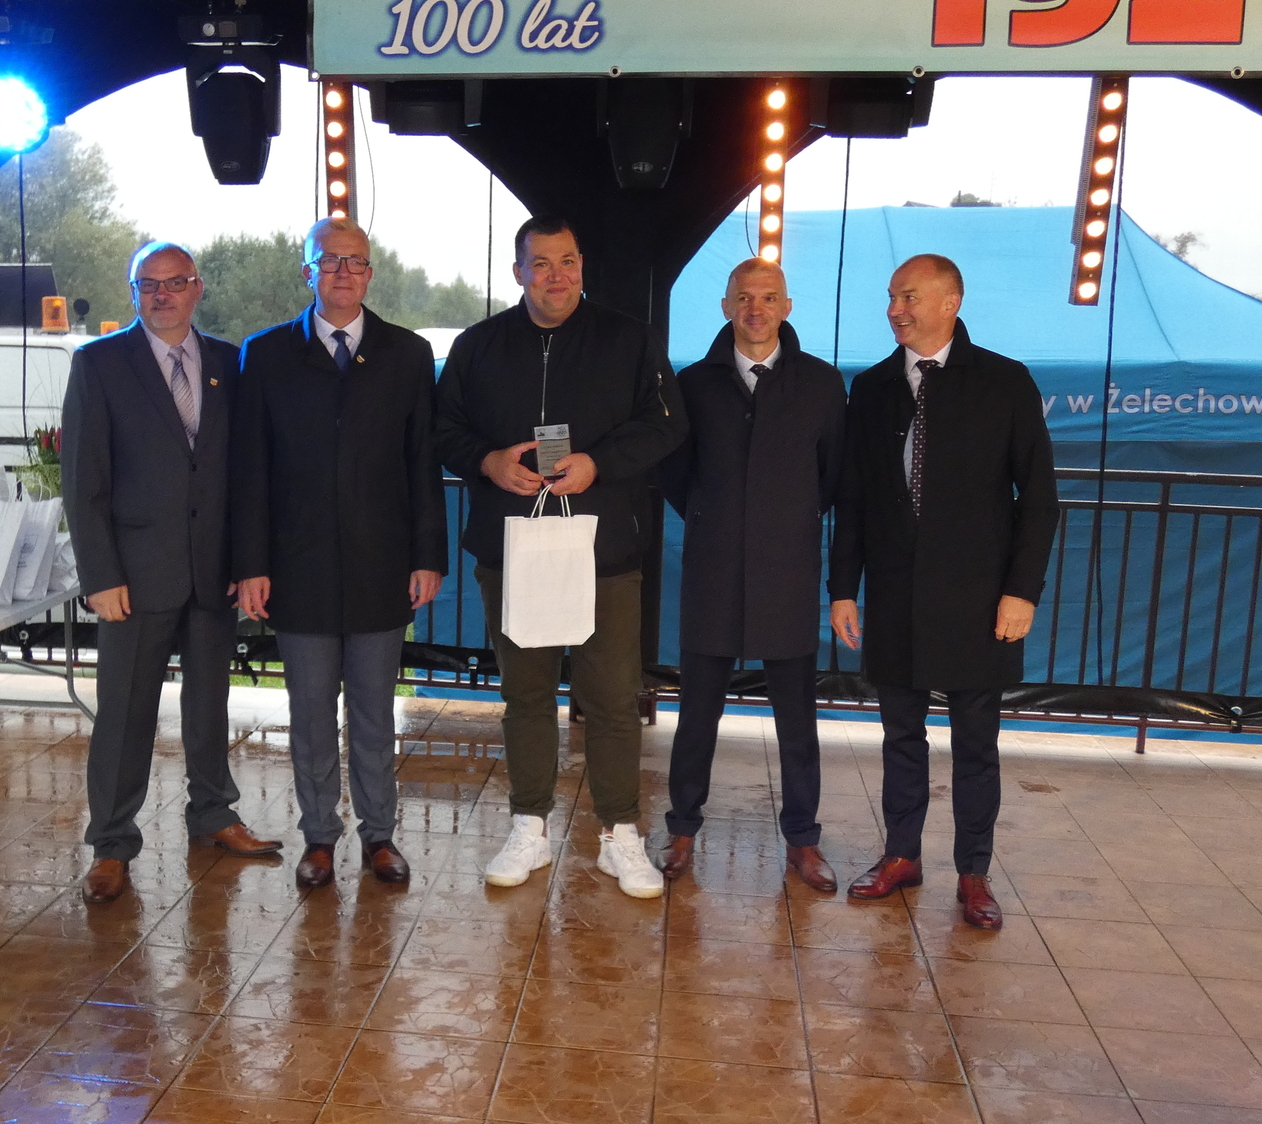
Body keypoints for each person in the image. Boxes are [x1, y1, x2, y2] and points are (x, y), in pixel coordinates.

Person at [433, 215, 688, 899]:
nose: (556, 276)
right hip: (513, 548)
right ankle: (529, 827)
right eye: (541, 263)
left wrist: (599, 463)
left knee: (612, 699)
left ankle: (620, 834)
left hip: (605, 551)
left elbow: (667, 423)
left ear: (582, 266)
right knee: (526, 695)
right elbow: (442, 429)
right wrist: (487, 461)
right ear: (518, 272)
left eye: (567, 261)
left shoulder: (629, 340)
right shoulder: (478, 345)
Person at [828, 253, 1058, 930]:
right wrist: (843, 589)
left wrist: (1022, 591)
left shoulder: (1004, 381)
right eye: (891, 297)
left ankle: (973, 873)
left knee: (976, 744)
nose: (895, 309)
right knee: (900, 735)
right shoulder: (871, 387)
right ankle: (902, 855)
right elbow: (854, 499)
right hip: (894, 595)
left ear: (950, 302)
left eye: (909, 297)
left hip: (980, 601)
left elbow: (1039, 498)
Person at [61, 241, 282, 906]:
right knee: (125, 714)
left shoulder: (229, 363)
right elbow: (83, 481)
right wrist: (100, 575)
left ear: (197, 288)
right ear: (134, 292)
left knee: (209, 705)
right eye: (149, 284)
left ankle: (213, 814)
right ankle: (111, 843)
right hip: (132, 577)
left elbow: (246, 473)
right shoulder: (99, 364)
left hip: (212, 573)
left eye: (175, 282)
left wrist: (248, 562)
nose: (162, 294)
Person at [229, 217, 447, 889]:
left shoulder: (408, 354)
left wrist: (428, 555)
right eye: (330, 261)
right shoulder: (265, 353)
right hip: (297, 569)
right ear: (308, 272)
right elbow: (250, 469)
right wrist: (251, 564)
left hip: (384, 567)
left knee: (376, 714)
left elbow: (422, 462)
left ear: (370, 273)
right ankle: (319, 838)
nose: (343, 273)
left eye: (355, 262)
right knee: (311, 716)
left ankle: (380, 835)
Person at [657, 257, 845, 891]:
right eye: (744, 297)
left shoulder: (821, 384)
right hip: (713, 572)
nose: (756, 309)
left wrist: (781, 521)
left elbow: (831, 476)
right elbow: (676, 474)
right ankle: (682, 830)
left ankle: (803, 841)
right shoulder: (693, 384)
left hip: (787, 573)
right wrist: (717, 518)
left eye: (768, 298)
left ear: (787, 307)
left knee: (797, 721)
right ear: (726, 306)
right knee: (696, 715)